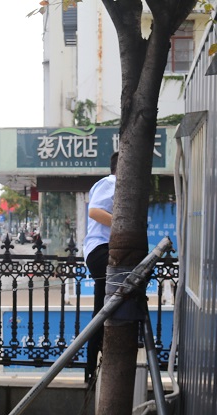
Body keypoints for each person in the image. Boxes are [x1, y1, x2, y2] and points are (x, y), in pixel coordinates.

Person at [83, 150, 118, 384]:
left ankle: (90, 368)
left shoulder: (117, 185)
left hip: (102, 251)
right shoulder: (110, 182)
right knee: (107, 307)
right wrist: (123, 224)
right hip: (100, 250)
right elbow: (94, 211)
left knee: (101, 311)